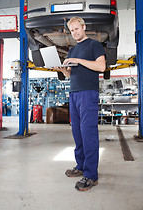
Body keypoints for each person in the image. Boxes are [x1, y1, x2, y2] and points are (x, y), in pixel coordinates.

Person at [54, 17, 106, 191]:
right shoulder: (72, 50)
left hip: (88, 95)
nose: (74, 33)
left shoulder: (94, 45)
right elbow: (72, 75)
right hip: (74, 94)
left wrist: (79, 61)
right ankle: (81, 165)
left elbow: (101, 67)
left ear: (84, 27)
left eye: (77, 29)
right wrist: (63, 70)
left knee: (88, 133)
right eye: (72, 31)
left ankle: (91, 175)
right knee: (77, 133)